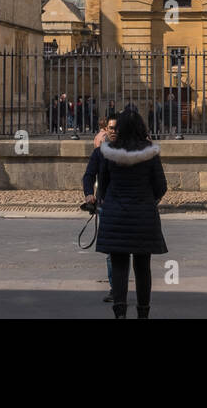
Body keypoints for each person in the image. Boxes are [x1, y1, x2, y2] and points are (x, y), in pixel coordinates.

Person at [95, 110, 168, 318]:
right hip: (143, 216)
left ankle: (120, 313)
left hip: (115, 216)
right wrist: (147, 201)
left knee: (119, 266)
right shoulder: (150, 152)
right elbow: (161, 186)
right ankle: (143, 313)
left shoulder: (108, 151)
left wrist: (110, 202)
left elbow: (103, 185)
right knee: (143, 267)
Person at [83, 117, 118, 302]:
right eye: (111, 128)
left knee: (127, 251)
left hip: (124, 206)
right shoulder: (99, 153)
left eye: (116, 128)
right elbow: (88, 175)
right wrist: (89, 194)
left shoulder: (128, 152)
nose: (113, 131)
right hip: (106, 206)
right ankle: (115, 288)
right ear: (106, 129)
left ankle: (121, 288)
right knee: (112, 251)